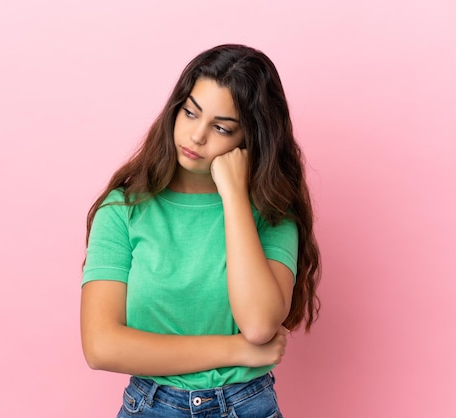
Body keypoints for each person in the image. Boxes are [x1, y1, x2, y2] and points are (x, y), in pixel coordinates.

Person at [80, 44, 321, 417]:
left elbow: (259, 325)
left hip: (246, 406)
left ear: (249, 138)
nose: (196, 136)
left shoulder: (272, 213)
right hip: (152, 407)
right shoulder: (123, 209)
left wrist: (234, 196)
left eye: (222, 128)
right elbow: (101, 346)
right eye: (191, 113)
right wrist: (235, 351)